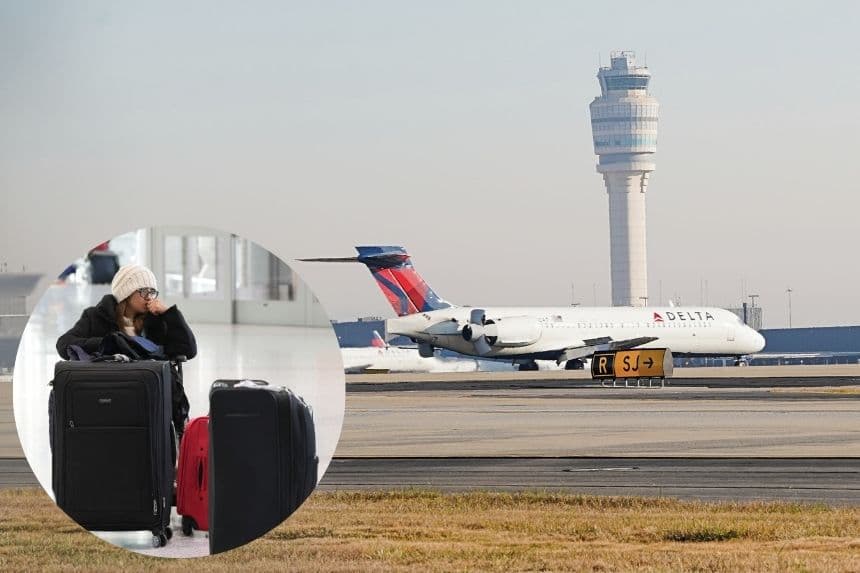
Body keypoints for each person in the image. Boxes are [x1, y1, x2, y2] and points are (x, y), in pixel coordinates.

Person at [56, 264, 196, 438]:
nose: (149, 297)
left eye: (153, 292)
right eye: (144, 291)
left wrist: (170, 314)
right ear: (126, 292)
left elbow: (188, 350)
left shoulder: (156, 320)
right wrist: (109, 343)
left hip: (146, 393)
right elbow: (64, 344)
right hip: (107, 391)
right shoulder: (95, 316)